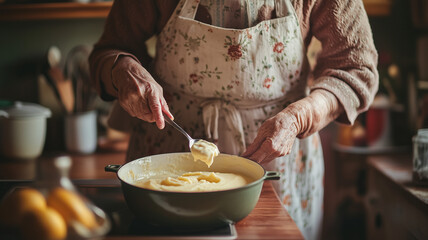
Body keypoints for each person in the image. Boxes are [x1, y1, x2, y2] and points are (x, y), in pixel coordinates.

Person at [89, 0, 378, 239]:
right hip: (167, 150)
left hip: (280, 158)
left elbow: (355, 68)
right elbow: (108, 51)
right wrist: (121, 69)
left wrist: (299, 118)